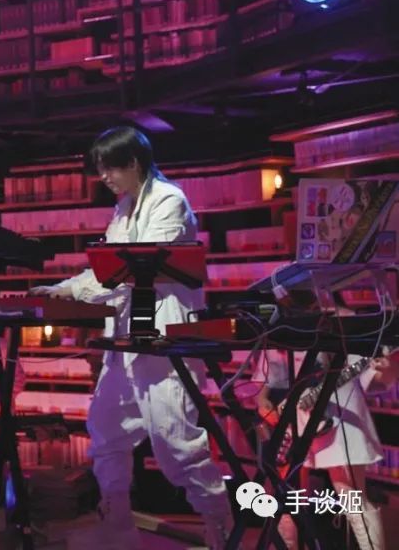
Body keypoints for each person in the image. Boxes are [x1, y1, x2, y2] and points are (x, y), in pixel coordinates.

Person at [30, 126, 232, 550]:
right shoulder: (123, 209)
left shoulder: (169, 200)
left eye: (110, 168)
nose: (103, 177)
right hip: (125, 341)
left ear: (134, 163)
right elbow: (110, 267)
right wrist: (65, 288)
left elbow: (134, 267)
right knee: (106, 430)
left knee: (177, 445)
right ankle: (117, 526)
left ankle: (221, 526)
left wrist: (77, 289)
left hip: (163, 339)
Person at [255, 344, 394, 549]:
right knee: (288, 498)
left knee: (351, 498)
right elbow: (266, 377)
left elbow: (371, 377)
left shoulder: (340, 328)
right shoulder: (278, 331)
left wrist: (384, 369)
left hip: (339, 415)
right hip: (292, 422)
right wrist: (263, 401)